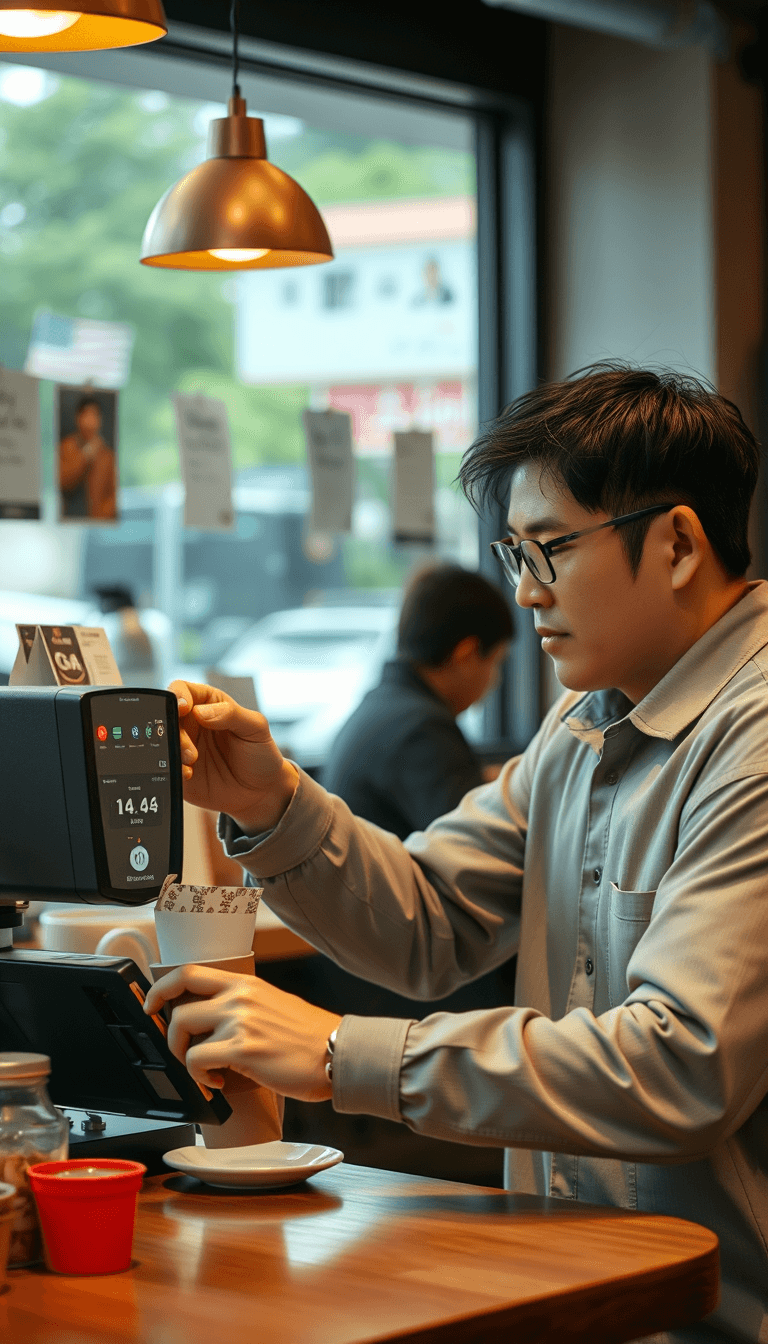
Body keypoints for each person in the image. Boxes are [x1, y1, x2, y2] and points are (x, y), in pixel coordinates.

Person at [146, 364, 768, 1344]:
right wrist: (271, 803)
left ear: (681, 543)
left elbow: (678, 1063)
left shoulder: (755, 736)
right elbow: (432, 916)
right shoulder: (583, 725)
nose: (523, 591)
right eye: (513, 552)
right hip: (576, 1285)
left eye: (550, 550)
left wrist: (334, 1051)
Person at [323, 564, 512, 840]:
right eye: (496, 662)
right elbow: (478, 845)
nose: (495, 680)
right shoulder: (421, 729)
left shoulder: (387, 705)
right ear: (467, 656)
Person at [58, 394, 117, 521]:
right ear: (78, 418)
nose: (90, 421)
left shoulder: (107, 455)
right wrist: (86, 456)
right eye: (86, 415)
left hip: (95, 524)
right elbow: (63, 482)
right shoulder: (66, 447)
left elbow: (113, 496)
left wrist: (102, 516)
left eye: (94, 415)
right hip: (66, 521)